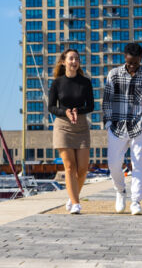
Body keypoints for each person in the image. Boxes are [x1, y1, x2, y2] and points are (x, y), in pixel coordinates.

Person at [104, 43, 142, 215]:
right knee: (113, 163)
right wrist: (107, 122)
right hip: (116, 125)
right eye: (129, 63)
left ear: (141, 59)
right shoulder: (113, 75)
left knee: (138, 164)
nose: (132, 66)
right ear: (125, 58)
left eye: (135, 63)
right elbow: (106, 101)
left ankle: (136, 201)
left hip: (139, 124)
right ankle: (120, 190)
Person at [48, 49, 94, 214]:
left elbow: (91, 106)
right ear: (63, 62)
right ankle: (75, 203)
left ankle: (72, 197)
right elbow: (51, 107)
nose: (74, 61)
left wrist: (78, 111)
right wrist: (65, 112)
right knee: (70, 166)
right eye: (71, 58)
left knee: (82, 169)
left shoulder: (86, 82)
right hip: (62, 126)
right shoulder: (57, 83)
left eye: (77, 59)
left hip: (81, 126)